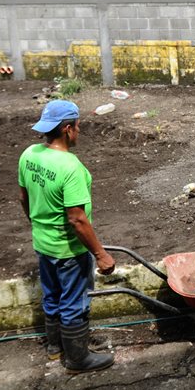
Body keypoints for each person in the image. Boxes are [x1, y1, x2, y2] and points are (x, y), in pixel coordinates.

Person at [18, 100, 116, 374]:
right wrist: (100, 254)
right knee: (74, 302)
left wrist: (40, 226)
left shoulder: (29, 154)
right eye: (78, 126)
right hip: (69, 250)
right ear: (67, 129)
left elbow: (23, 198)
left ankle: (55, 347)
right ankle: (77, 359)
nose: (79, 131)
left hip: (43, 243)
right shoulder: (70, 167)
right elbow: (77, 219)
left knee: (52, 296)